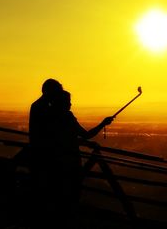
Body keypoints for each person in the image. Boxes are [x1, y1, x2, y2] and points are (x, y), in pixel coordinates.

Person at [28, 80, 113, 228]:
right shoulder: (62, 116)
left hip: (48, 161)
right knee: (69, 197)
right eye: (68, 101)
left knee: (55, 199)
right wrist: (103, 123)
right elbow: (84, 135)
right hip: (65, 163)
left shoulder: (42, 108)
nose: (70, 104)